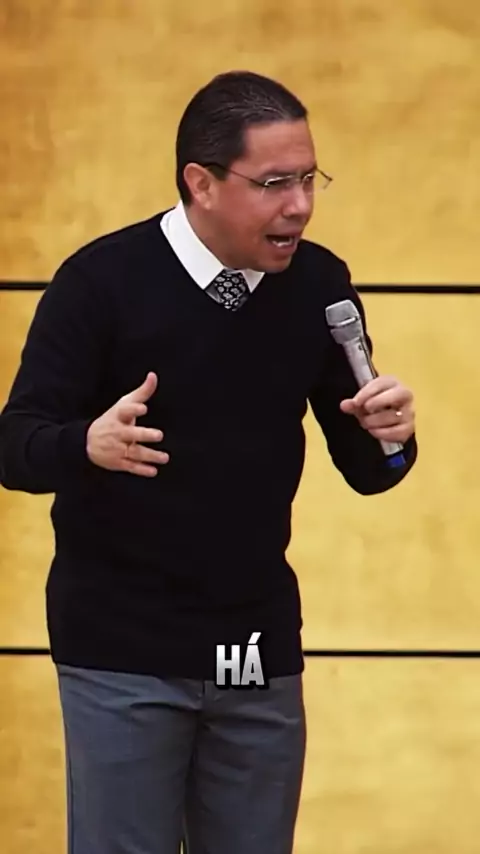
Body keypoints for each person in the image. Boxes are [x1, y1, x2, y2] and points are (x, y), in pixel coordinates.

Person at [0, 70, 417, 854]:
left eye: (309, 179)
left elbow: (371, 470)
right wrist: (84, 444)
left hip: (253, 647)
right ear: (201, 183)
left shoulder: (319, 285)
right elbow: (15, 444)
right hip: (122, 647)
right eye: (274, 184)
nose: (300, 205)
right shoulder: (101, 282)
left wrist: (391, 438)